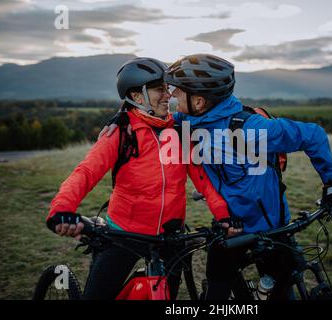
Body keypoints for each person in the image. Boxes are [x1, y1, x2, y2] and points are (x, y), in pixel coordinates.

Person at [101, 54, 332, 300]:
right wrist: (124, 113)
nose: (172, 95)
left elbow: (313, 135)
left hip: (272, 230)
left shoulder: (250, 129)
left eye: (178, 90)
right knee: (216, 291)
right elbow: (152, 117)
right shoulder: (188, 121)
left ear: (198, 101)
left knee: (282, 292)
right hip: (228, 228)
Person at [45, 57, 239, 300]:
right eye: (159, 88)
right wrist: (63, 207)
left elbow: (201, 179)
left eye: (167, 88)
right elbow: (86, 172)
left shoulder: (178, 132)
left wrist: (223, 215)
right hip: (124, 235)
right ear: (137, 97)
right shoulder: (121, 131)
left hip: (171, 236)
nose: (167, 95)